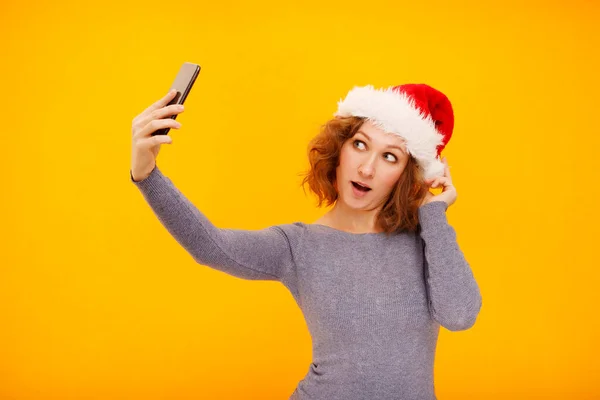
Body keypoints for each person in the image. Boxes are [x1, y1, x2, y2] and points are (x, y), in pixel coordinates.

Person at [129, 83, 482, 400]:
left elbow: (460, 315)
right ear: (339, 150)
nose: (367, 169)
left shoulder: (427, 242)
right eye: (360, 145)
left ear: (406, 175)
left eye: (390, 156)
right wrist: (147, 175)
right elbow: (211, 246)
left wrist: (434, 216)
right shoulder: (297, 246)